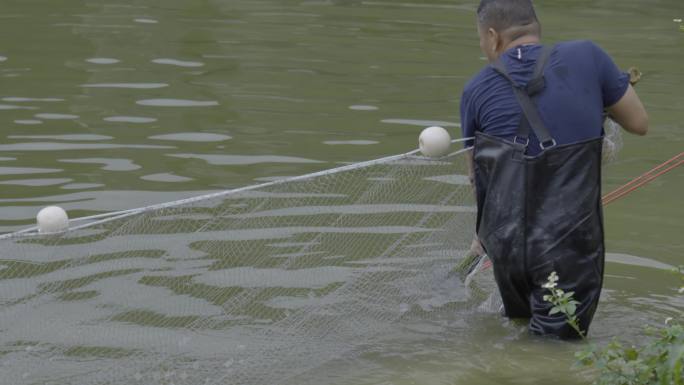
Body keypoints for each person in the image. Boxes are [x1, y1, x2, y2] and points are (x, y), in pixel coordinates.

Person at [460, 0, 648, 339]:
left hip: (506, 247)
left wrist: (482, 238)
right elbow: (638, 123)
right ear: (534, 26)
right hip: (567, 249)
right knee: (554, 354)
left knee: (517, 334)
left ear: (491, 36)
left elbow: (479, 181)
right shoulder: (587, 56)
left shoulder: (474, 90)